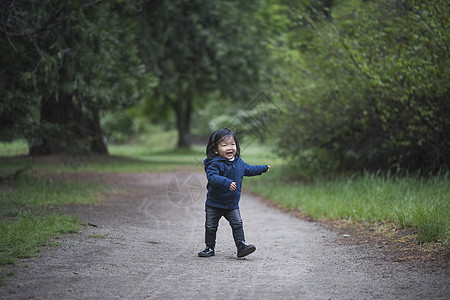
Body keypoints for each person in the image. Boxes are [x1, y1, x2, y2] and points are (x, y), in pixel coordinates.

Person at [198, 128, 270, 258]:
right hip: (214, 203)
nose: (229, 147)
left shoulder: (238, 162)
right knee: (211, 226)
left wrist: (262, 169)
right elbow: (212, 178)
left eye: (232, 144)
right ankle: (209, 248)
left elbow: (249, 169)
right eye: (224, 145)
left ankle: (241, 246)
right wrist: (226, 182)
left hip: (231, 204)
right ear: (215, 150)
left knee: (237, 224)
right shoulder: (214, 164)